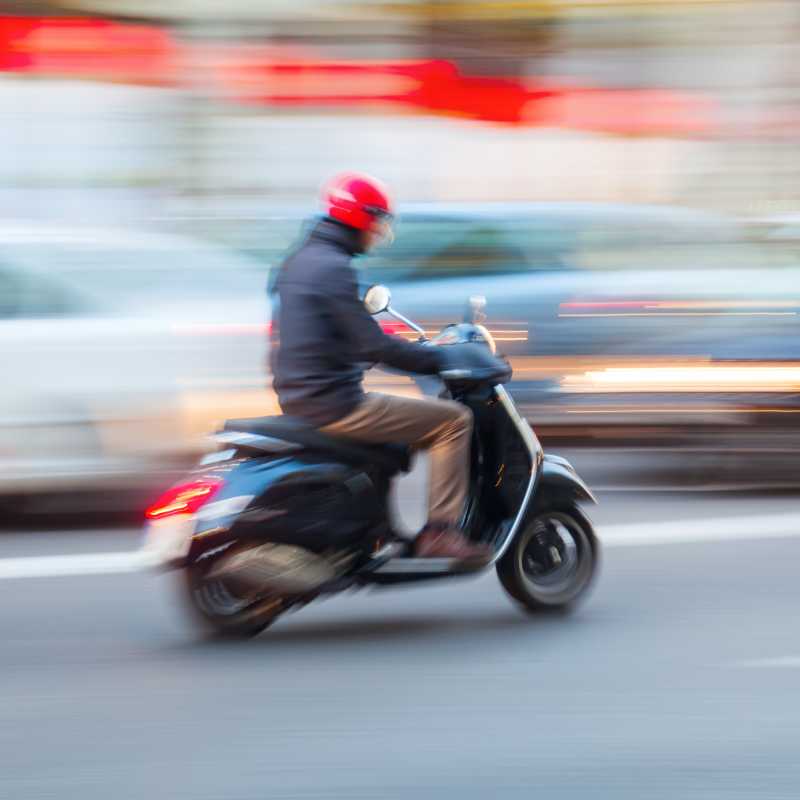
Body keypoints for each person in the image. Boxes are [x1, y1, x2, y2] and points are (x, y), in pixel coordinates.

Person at [271, 172, 492, 565]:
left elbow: (324, 332)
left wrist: (359, 354)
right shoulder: (334, 268)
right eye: (377, 223)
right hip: (335, 403)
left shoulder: (301, 260)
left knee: (394, 439)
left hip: (301, 395)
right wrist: (443, 358)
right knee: (453, 422)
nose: (377, 232)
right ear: (360, 219)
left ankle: (379, 529)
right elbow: (372, 342)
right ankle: (440, 533)